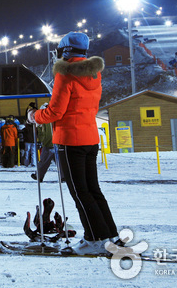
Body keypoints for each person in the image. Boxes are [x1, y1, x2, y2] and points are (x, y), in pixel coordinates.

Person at [27, 32, 122, 255]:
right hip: (90, 137)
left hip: (70, 140)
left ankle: (94, 239)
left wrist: (34, 116)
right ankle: (111, 235)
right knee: (93, 190)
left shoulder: (65, 75)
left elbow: (56, 111)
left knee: (80, 192)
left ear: (65, 51)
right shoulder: (94, 75)